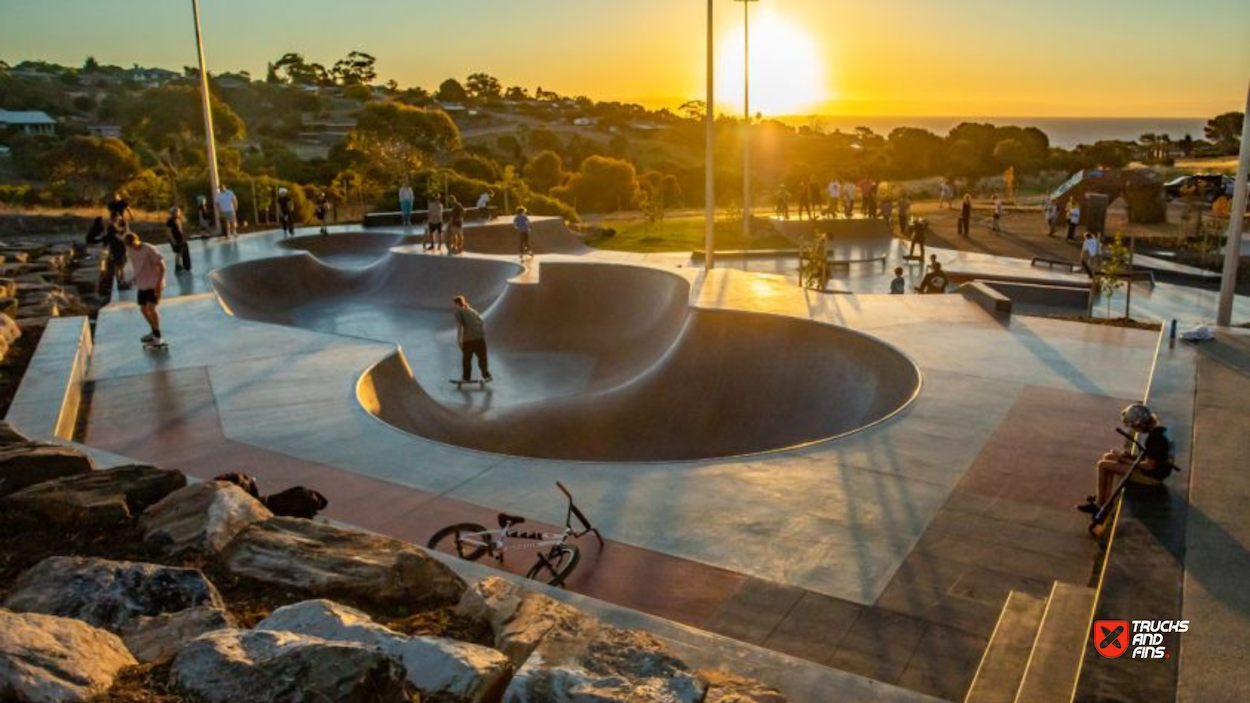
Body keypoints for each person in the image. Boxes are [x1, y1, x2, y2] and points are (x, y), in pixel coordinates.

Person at [1078, 403, 1175, 513]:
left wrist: (1121, 459)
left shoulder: (1154, 438)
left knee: (1103, 465)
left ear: (1141, 424)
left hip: (1152, 477)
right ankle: (1103, 498)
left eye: (1134, 426)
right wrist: (1128, 456)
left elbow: (1148, 466)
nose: (1134, 429)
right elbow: (1153, 456)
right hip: (1159, 470)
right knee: (1108, 457)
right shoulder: (1160, 430)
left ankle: (1100, 505)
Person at [124, 232, 167, 345]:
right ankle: (154, 331)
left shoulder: (149, 249)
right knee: (143, 309)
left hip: (154, 283)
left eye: (134, 244)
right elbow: (133, 266)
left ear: (137, 240)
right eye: (130, 245)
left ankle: (158, 336)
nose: (133, 247)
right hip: (142, 284)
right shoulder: (129, 250)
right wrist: (131, 279)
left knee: (151, 307)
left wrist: (159, 284)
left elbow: (162, 267)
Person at [452, 295, 491, 384]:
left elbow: (459, 327)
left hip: (469, 340)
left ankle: (466, 378)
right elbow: (481, 322)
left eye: (454, 305)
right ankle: (487, 376)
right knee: (482, 358)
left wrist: (459, 340)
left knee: (466, 359)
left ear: (457, 304)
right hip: (480, 338)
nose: (454, 307)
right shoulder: (473, 311)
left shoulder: (459, 312)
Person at [102, 217, 129, 292]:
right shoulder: (112, 228)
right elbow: (120, 238)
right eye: (116, 220)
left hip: (116, 249)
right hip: (118, 250)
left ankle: (120, 281)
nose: (117, 221)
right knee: (120, 266)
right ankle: (121, 282)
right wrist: (125, 232)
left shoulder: (111, 228)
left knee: (119, 266)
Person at [165, 207, 191, 273]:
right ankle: (177, 267)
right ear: (174, 213)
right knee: (178, 252)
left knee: (180, 252)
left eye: (179, 211)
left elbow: (180, 229)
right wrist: (173, 241)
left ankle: (180, 265)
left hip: (180, 239)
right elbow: (168, 232)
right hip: (175, 239)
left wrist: (184, 236)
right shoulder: (170, 221)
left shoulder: (178, 219)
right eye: (178, 212)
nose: (179, 213)